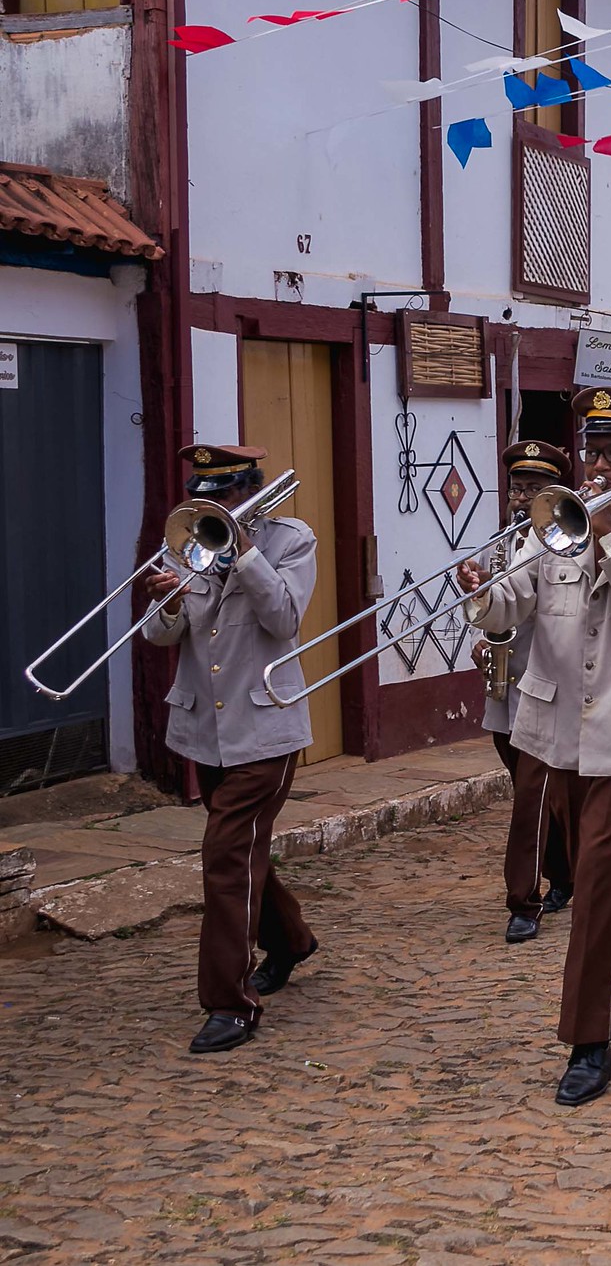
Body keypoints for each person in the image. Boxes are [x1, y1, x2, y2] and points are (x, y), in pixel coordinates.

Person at [464, 386, 611, 1106]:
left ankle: (586, 1040)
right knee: (606, 874)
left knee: (595, 879)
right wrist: (482, 590)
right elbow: (517, 601)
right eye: (593, 450)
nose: (598, 465)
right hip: (555, 725)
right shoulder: (551, 519)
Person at [141, 444, 321, 1054]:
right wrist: (163, 598)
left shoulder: (289, 541)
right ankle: (290, 938)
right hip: (205, 730)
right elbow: (163, 635)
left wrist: (242, 552)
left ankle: (229, 1004)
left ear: (251, 493)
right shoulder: (186, 542)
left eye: (227, 496)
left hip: (265, 728)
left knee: (224, 855)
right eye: (206, 496)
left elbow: (285, 618)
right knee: (242, 852)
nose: (216, 506)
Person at [481, 441, 575, 939]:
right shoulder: (500, 543)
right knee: (540, 793)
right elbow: (496, 610)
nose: (522, 499)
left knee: (530, 796)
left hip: (548, 688)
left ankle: (523, 900)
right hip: (504, 686)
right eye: (518, 489)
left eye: (535, 490)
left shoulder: (568, 543)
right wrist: (482, 640)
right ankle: (565, 871)